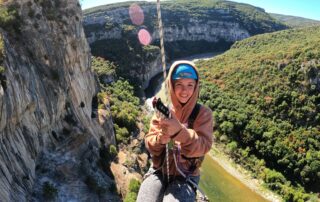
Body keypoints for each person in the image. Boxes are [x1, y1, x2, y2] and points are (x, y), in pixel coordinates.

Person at [137, 60, 213, 202]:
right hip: (159, 170)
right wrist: (161, 139)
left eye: (190, 85)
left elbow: (204, 146)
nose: (185, 91)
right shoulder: (163, 111)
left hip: (186, 175)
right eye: (179, 85)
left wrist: (180, 132)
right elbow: (150, 144)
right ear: (171, 85)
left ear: (196, 87)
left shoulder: (203, 114)